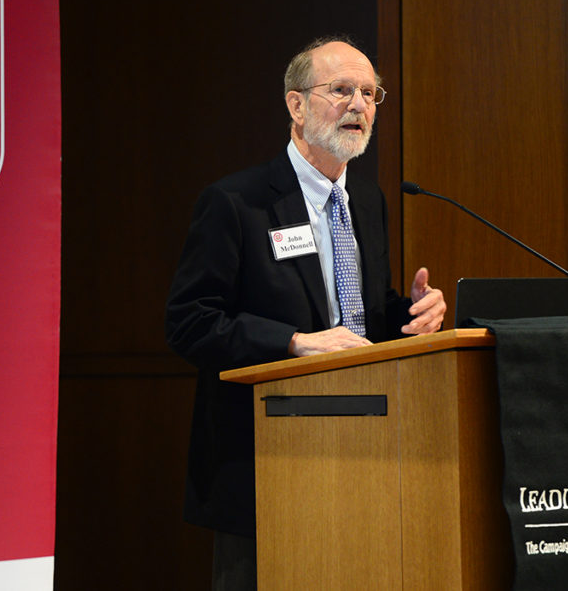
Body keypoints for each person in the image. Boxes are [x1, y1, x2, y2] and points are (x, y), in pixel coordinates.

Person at [165, 36, 446, 590]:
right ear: (296, 105)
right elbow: (190, 321)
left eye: (370, 93)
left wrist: (411, 313)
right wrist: (295, 341)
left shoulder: (366, 200)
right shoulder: (236, 202)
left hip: (364, 453)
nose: (360, 105)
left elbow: (356, 318)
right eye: (341, 90)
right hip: (264, 463)